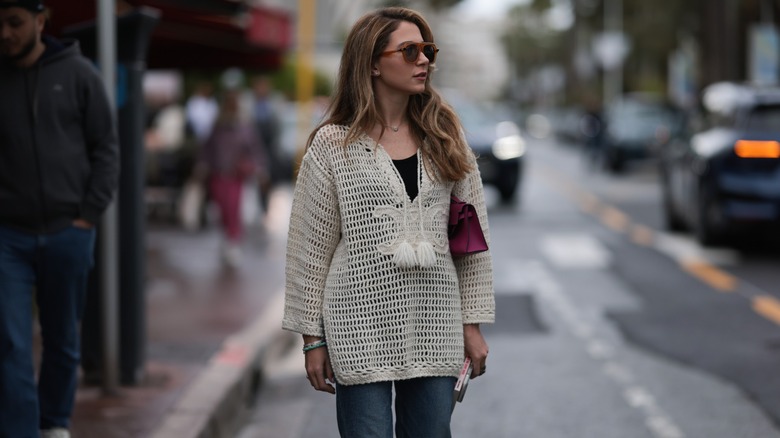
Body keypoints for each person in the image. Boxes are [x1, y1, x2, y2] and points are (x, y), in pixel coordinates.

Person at [282, 7, 494, 438]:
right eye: (411, 50)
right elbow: (309, 248)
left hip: (436, 325)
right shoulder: (332, 144)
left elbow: (470, 243)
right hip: (358, 326)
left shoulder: (446, 136)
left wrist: (471, 326)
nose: (424, 61)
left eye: (428, 50)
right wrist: (312, 340)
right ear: (373, 62)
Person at [0, 1, 120, 437]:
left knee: (62, 340)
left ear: (39, 21)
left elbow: (106, 148)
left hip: (69, 230)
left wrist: (87, 216)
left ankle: (53, 423)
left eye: (13, 23)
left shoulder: (79, 74)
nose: (5, 33)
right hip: (8, 236)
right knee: (10, 342)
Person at [196, 90, 267, 267]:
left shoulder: (245, 127)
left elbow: (254, 150)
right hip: (218, 174)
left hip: (236, 176)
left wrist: (258, 169)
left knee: (233, 208)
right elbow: (207, 148)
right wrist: (202, 166)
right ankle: (228, 237)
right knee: (221, 209)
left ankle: (233, 241)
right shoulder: (217, 126)